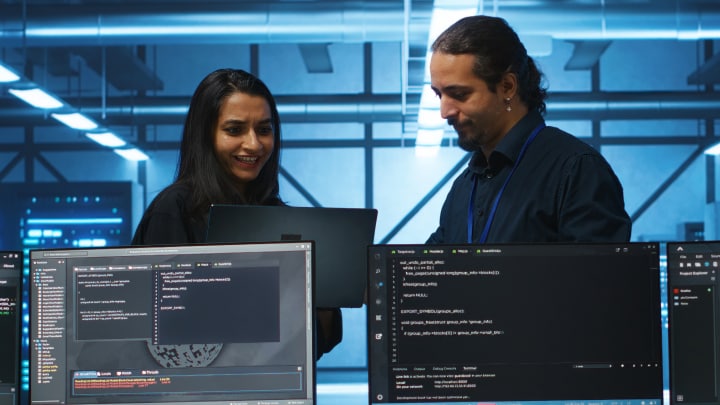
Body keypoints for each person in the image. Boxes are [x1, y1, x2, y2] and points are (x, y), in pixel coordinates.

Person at [132, 68, 342, 359]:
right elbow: (160, 334)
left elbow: (312, 346)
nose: (254, 144)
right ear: (204, 135)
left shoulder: (279, 217)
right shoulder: (174, 209)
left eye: (264, 130)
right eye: (235, 130)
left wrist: (327, 291)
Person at [426, 15, 631, 244]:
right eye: (439, 94)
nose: (445, 111)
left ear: (507, 86)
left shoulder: (575, 170)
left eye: (459, 94)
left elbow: (601, 278)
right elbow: (430, 270)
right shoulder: (464, 188)